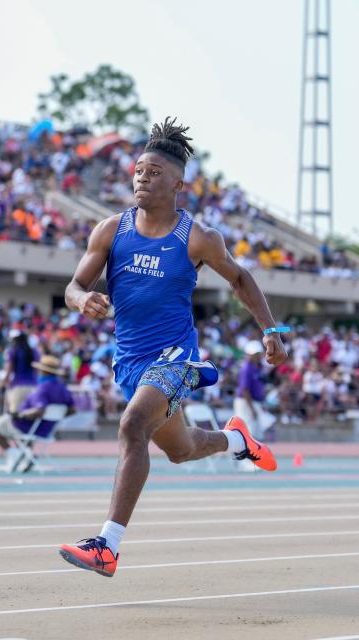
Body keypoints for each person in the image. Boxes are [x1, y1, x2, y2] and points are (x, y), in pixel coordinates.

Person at [58, 118, 288, 577]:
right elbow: (73, 285)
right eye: (139, 170)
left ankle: (108, 545)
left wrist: (270, 330)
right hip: (131, 362)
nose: (143, 178)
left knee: (132, 426)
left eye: (154, 172)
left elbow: (241, 278)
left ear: (178, 184)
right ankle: (237, 439)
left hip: (176, 358)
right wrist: (84, 299)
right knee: (181, 450)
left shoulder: (197, 237)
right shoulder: (109, 230)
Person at [0, 354, 76, 469]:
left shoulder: (42, 388)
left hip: (27, 428)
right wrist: (56, 416)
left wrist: (20, 415)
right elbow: (72, 410)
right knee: (17, 427)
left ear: (44, 371)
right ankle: (26, 454)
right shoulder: (63, 388)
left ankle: (13, 452)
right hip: (47, 430)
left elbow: (39, 410)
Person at [232, 340, 276, 440]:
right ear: (249, 354)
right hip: (245, 402)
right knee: (247, 430)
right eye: (254, 354)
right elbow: (245, 390)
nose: (257, 356)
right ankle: (245, 454)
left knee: (257, 431)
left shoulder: (257, 367)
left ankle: (255, 454)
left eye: (258, 353)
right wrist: (252, 409)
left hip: (254, 402)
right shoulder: (246, 368)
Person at [1, 329, 37, 413]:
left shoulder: (12, 351)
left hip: (18, 386)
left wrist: (3, 382)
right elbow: (36, 370)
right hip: (34, 387)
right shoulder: (34, 351)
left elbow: (9, 370)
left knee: (14, 416)